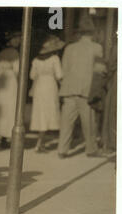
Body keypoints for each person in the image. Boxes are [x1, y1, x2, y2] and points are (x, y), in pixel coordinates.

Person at [57, 17, 106, 158]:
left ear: (80, 33)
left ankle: (62, 150)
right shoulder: (97, 48)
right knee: (89, 122)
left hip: (69, 89)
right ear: (92, 33)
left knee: (66, 122)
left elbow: (64, 70)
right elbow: (99, 70)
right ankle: (91, 149)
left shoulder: (69, 48)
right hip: (86, 91)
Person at [29, 35, 64, 153]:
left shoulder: (36, 60)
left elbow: (32, 76)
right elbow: (59, 75)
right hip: (50, 86)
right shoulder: (55, 59)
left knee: (41, 113)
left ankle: (40, 142)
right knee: (49, 112)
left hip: (39, 87)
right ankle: (39, 144)